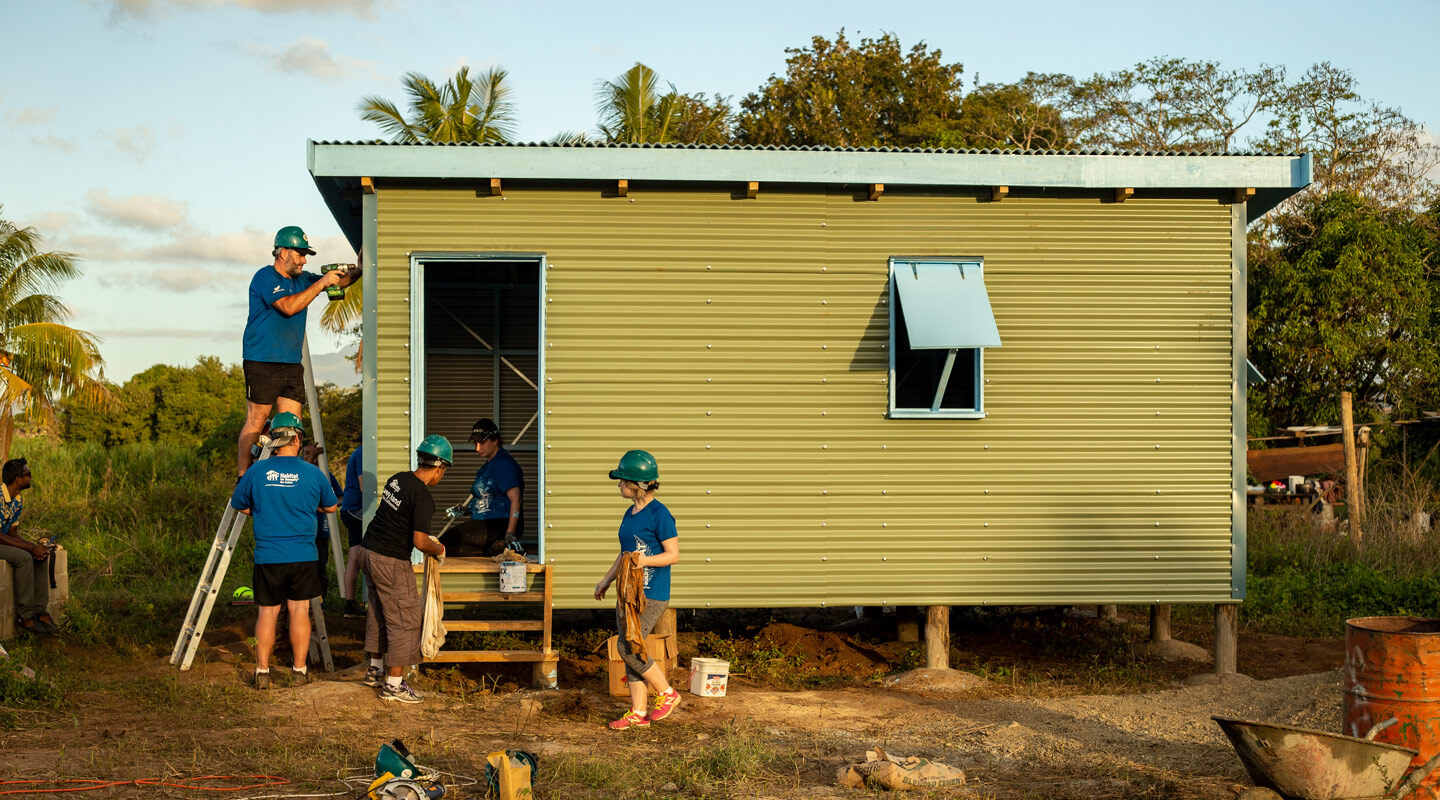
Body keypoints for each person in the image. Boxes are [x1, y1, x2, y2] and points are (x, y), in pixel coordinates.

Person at [237, 225, 360, 480]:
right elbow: (289, 307)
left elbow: (341, 282)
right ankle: (243, 476)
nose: (304, 261)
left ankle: (288, 473)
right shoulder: (265, 277)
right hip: (262, 361)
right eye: (300, 254)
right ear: (283, 252)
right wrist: (323, 283)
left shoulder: (303, 280)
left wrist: (359, 268)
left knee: (292, 425)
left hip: (292, 363)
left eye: (306, 256)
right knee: (257, 420)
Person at [230, 413, 339, 689]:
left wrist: (263, 510)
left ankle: (262, 672)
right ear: (298, 438)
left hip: (269, 555)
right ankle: (299, 671)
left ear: (274, 439)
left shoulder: (256, 471)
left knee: (267, 613)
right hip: (303, 555)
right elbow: (331, 507)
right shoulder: (313, 473)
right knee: (299, 611)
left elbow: (239, 504)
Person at [356, 435, 449, 703]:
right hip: (390, 561)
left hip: (368, 552)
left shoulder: (398, 479)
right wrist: (440, 550)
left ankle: (375, 670)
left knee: (379, 612)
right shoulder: (423, 497)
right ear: (439, 467)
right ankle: (394, 685)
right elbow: (420, 542)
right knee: (405, 620)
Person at [593, 449, 681, 730]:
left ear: (636, 484)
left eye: (621, 480)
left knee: (628, 645)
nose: (618, 485)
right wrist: (606, 579)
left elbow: (673, 554)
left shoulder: (660, 513)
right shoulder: (630, 513)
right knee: (631, 647)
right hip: (627, 591)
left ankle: (667, 693)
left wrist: (645, 561)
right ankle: (638, 712)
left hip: (651, 593)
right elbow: (625, 554)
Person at [442, 418, 524, 556]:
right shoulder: (489, 465)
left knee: (442, 543)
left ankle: (502, 544)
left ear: (495, 440)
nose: (477, 448)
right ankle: (495, 548)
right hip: (487, 522)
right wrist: (464, 510)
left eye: (482, 443)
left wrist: (510, 533)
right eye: (475, 443)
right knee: (454, 550)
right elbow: (488, 499)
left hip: (498, 523)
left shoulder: (503, 464)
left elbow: (516, 499)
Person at [0, 458, 57, 636]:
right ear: (18, 479)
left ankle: (40, 611)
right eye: (28, 474)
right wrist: (29, 549)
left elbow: (12, 534)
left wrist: (35, 547)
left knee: (39, 555)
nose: (30, 478)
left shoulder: (17, 500)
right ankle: (25, 617)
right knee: (25, 558)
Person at [302, 444, 344, 603]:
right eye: (305, 453)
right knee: (304, 565)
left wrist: (326, 507)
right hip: (303, 529)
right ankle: (305, 600)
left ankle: (321, 601)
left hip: (320, 529)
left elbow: (341, 497)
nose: (307, 457)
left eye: (311, 455)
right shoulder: (299, 473)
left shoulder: (326, 475)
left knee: (320, 566)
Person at [341, 445, 367, 619]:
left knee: (354, 557)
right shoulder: (364, 452)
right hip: (356, 509)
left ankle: (350, 604)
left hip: (349, 509)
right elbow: (364, 485)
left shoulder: (358, 451)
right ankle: (374, 601)